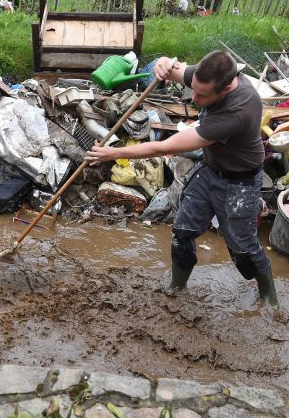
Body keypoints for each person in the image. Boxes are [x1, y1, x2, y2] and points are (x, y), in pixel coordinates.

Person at [86, 50, 279, 310]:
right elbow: (171, 66)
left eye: (203, 96)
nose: (195, 98)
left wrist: (113, 152)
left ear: (226, 89)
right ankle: (177, 287)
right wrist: (163, 65)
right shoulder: (209, 77)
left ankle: (269, 295)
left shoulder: (238, 111)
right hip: (210, 169)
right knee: (182, 231)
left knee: (242, 246)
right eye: (194, 90)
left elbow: (164, 148)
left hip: (240, 182)